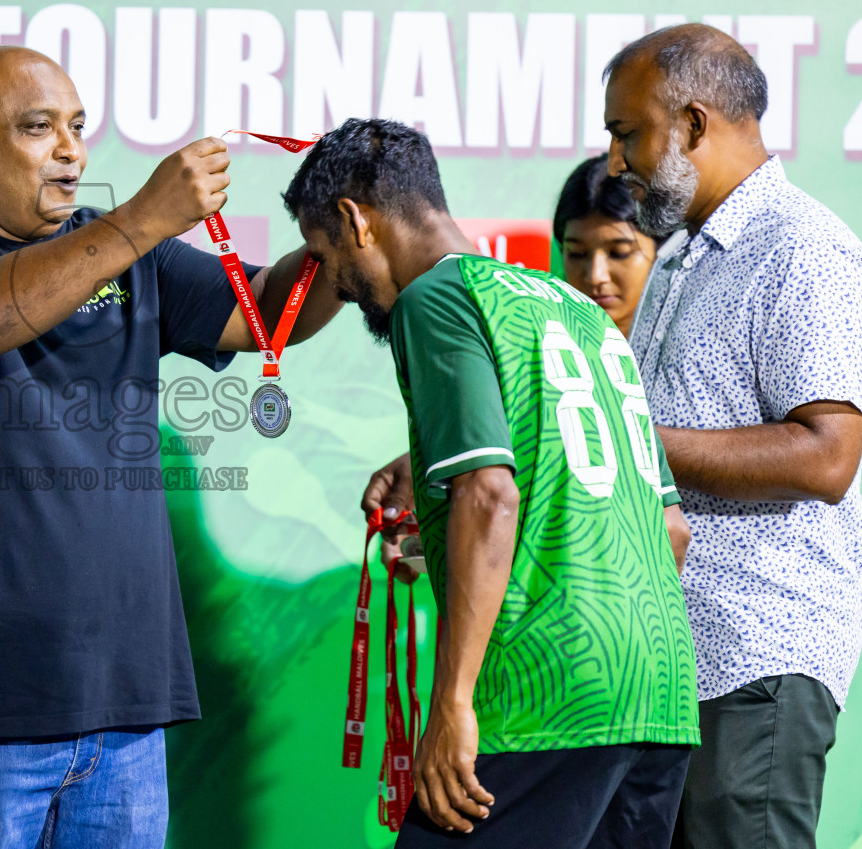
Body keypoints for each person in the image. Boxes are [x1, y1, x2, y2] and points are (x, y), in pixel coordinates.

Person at [0, 46, 341, 847]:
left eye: (77, 127)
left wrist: (339, 226)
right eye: (39, 127)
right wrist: (144, 217)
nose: (71, 149)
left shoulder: (123, 254)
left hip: (125, 713)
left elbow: (267, 311)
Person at [285, 118, 699, 848]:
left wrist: (452, 703)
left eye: (323, 256)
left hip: (545, 692)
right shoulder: (582, 314)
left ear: (354, 220)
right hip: (660, 692)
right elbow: (669, 530)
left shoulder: (434, 300)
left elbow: (489, 493)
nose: (337, 286)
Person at [601, 23, 862, 849]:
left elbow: (829, 455)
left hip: (755, 658)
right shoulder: (684, 255)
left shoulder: (803, 249)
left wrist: (626, 435)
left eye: (625, 133)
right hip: (671, 669)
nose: (615, 162)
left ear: (692, 125)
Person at [553, 154, 660, 335]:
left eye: (619, 253)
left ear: (663, 251)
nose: (595, 276)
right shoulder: (539, 350)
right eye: (576, 253)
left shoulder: (694, 348)